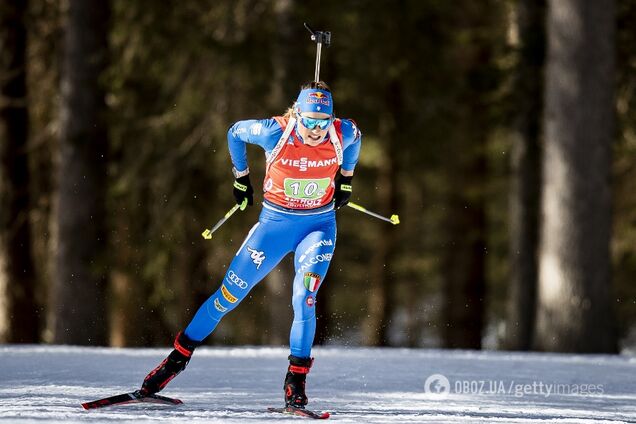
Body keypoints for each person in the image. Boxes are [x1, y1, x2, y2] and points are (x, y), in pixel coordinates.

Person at [139, 81, 362, 408]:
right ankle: (173, 362)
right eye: (310, 121)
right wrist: (240, 177)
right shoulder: (274, 131)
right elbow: (234, 132)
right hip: (274, 226)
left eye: (323, 122)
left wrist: (346, 177)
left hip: (318, 226)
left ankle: (295, 383)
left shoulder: (343, 133)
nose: (316, 130)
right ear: (297, 114)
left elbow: (357, 138)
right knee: (227, 297)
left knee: (305, 297)